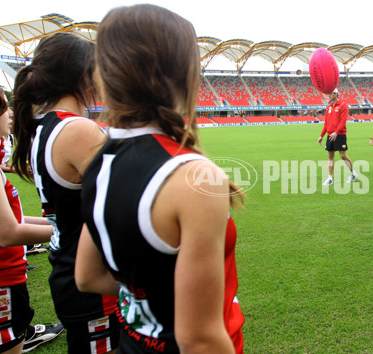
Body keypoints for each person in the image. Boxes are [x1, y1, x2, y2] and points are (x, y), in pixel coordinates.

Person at [74, 4, 245, 353]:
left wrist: (149, 294)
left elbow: (87, 275)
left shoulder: (98, 163)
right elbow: (199, 339)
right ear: (183, 73)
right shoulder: (192, 178)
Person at [11, 32, 119, 352]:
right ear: (83, 72)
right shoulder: (78, 130)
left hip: (69, 269)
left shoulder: (43, 126)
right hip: (93, 281)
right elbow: (120, 208)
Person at [0, 82, 62, 354]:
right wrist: (69, 231)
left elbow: (7, 218)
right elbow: (7, 232)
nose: (11, 113)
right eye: (4, 107)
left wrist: (56, 223)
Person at [317, 88, 358, 186]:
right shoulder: (329, 107)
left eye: (330, 94)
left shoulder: (343, 105)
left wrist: (336, 132)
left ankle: (353, 174)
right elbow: (326, 123)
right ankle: (330, 178)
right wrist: (321, 135)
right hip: (330, 135)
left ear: (336, 94)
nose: (329, 96)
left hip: (340, 134)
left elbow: (343, 121)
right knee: (330, 156)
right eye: (328, 94)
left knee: (342, 155)